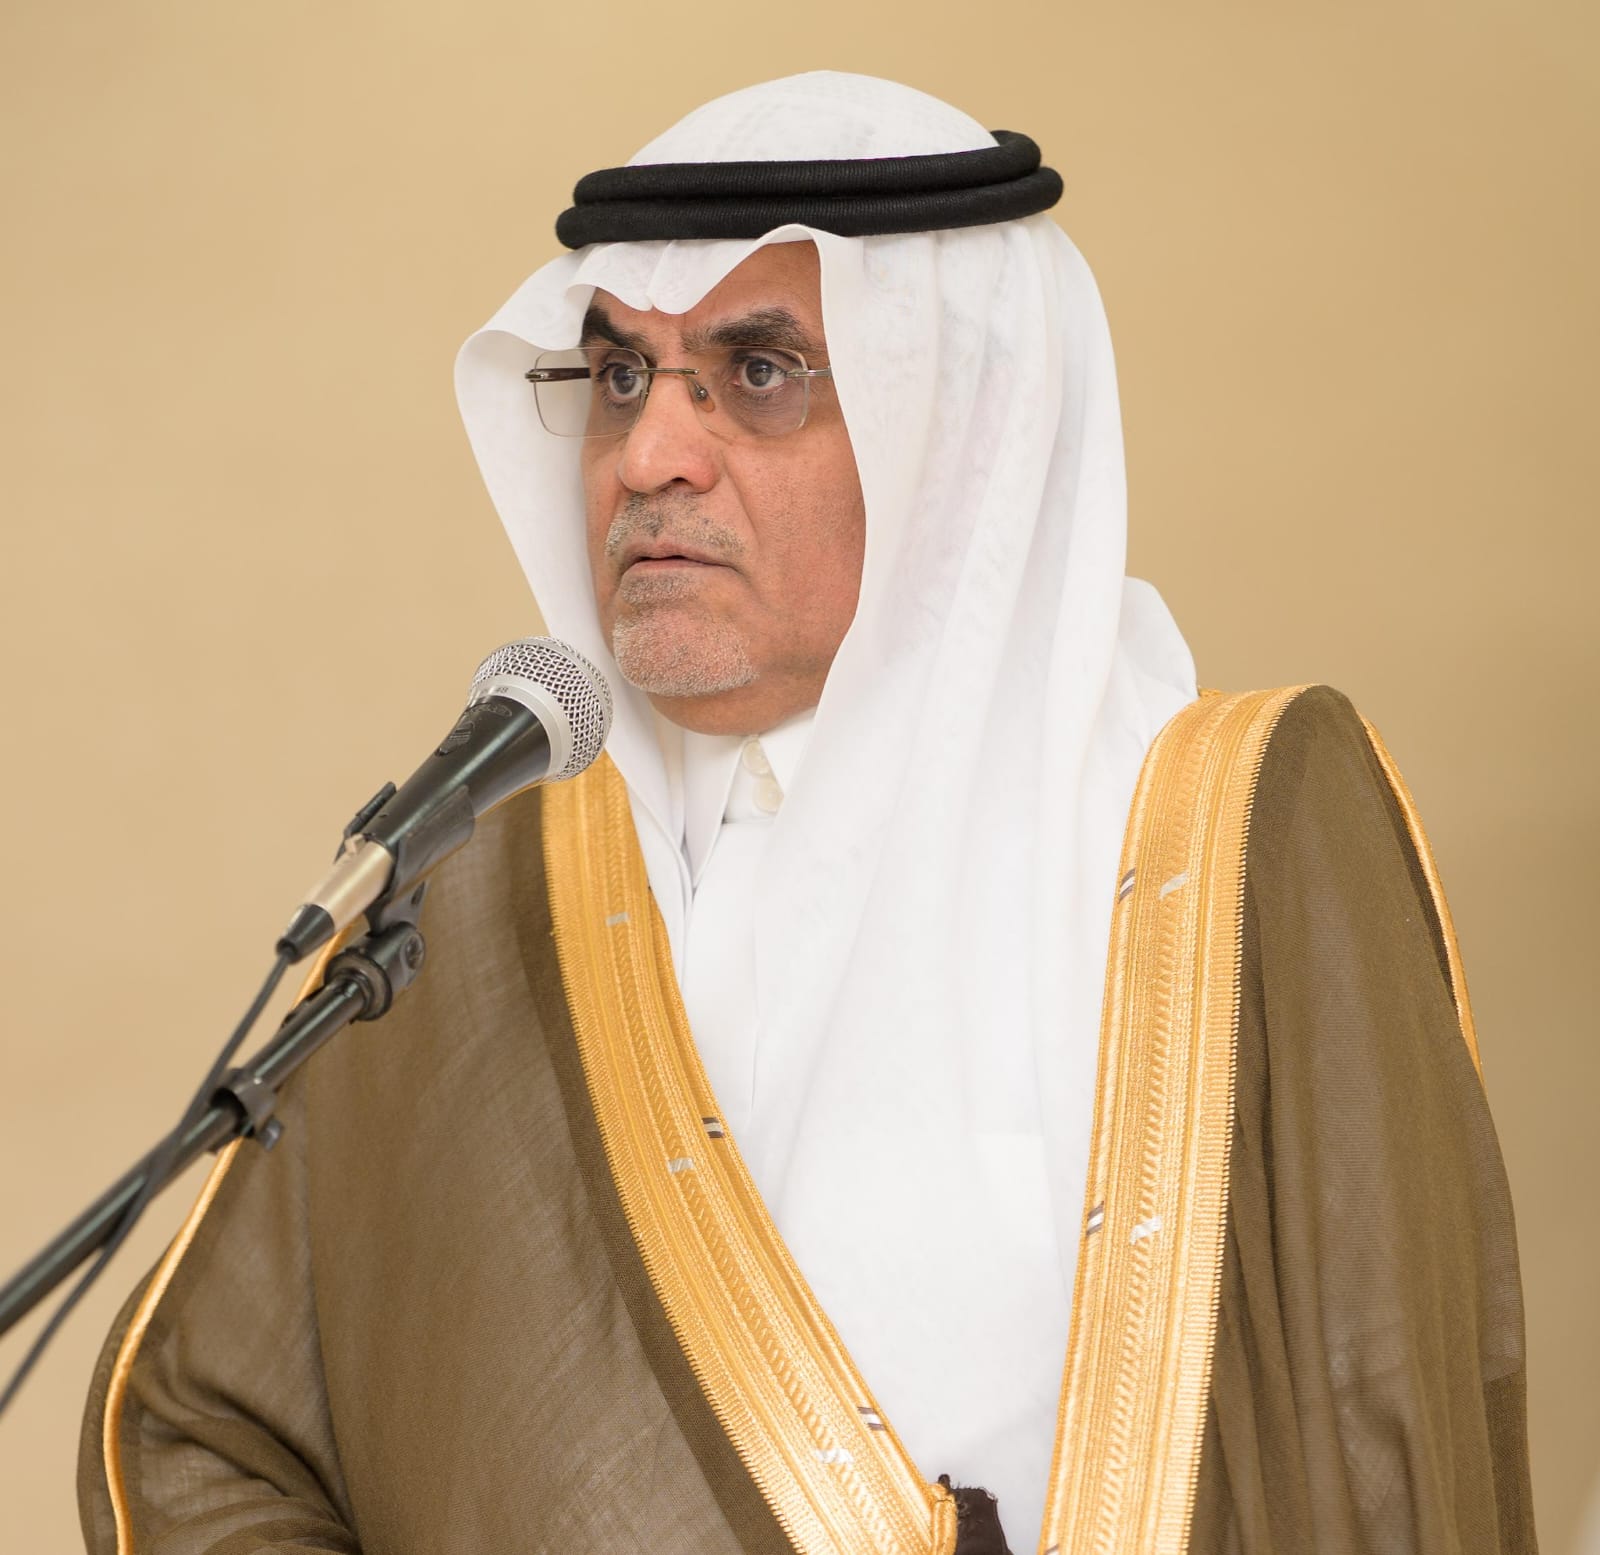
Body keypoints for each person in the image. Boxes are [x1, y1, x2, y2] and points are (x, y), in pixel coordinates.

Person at [77, 73, 1535, 1555]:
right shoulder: (465, 911)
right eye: (620, 377)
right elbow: (210, 1433)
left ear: (958, 429)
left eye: (759, 371)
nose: (650, 456)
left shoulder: (1233, 849)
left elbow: (1391, 1450)